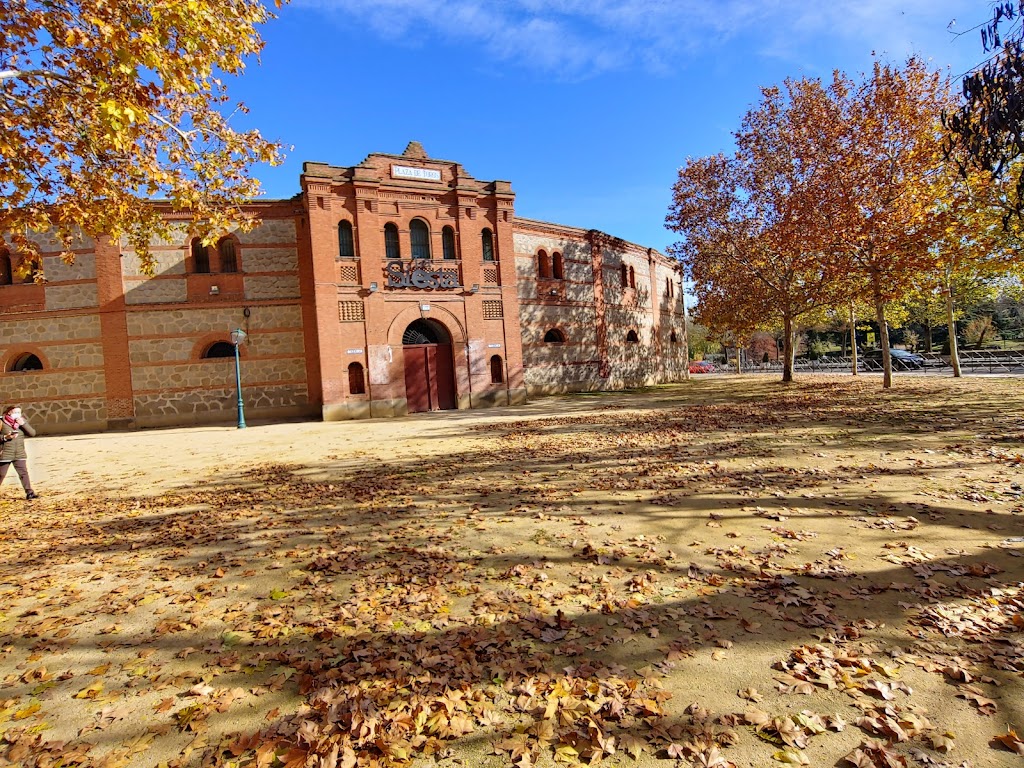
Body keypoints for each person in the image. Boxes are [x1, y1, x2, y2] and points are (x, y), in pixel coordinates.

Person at [0, 405, 37, 499]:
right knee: (1, 474)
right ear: (9, 412)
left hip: (19, 453)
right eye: (15, 412)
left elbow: (32, 433)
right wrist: (5, 437)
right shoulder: (1, 422)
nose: (18, 414)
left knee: (24, 473)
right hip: (4, 453)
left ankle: (30, 493)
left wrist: (23, 424)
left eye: (19, 412)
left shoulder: (21, 422)